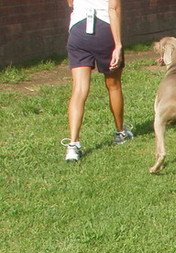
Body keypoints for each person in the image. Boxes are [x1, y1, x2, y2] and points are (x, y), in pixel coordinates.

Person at [62, 0, 133, 162]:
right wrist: (118, 44)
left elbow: (70, 3)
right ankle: (120, 132)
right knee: (113, 85)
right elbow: (114, 8)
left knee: (79, 89)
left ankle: (73, 145)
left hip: (77, 30)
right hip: (104, 29)